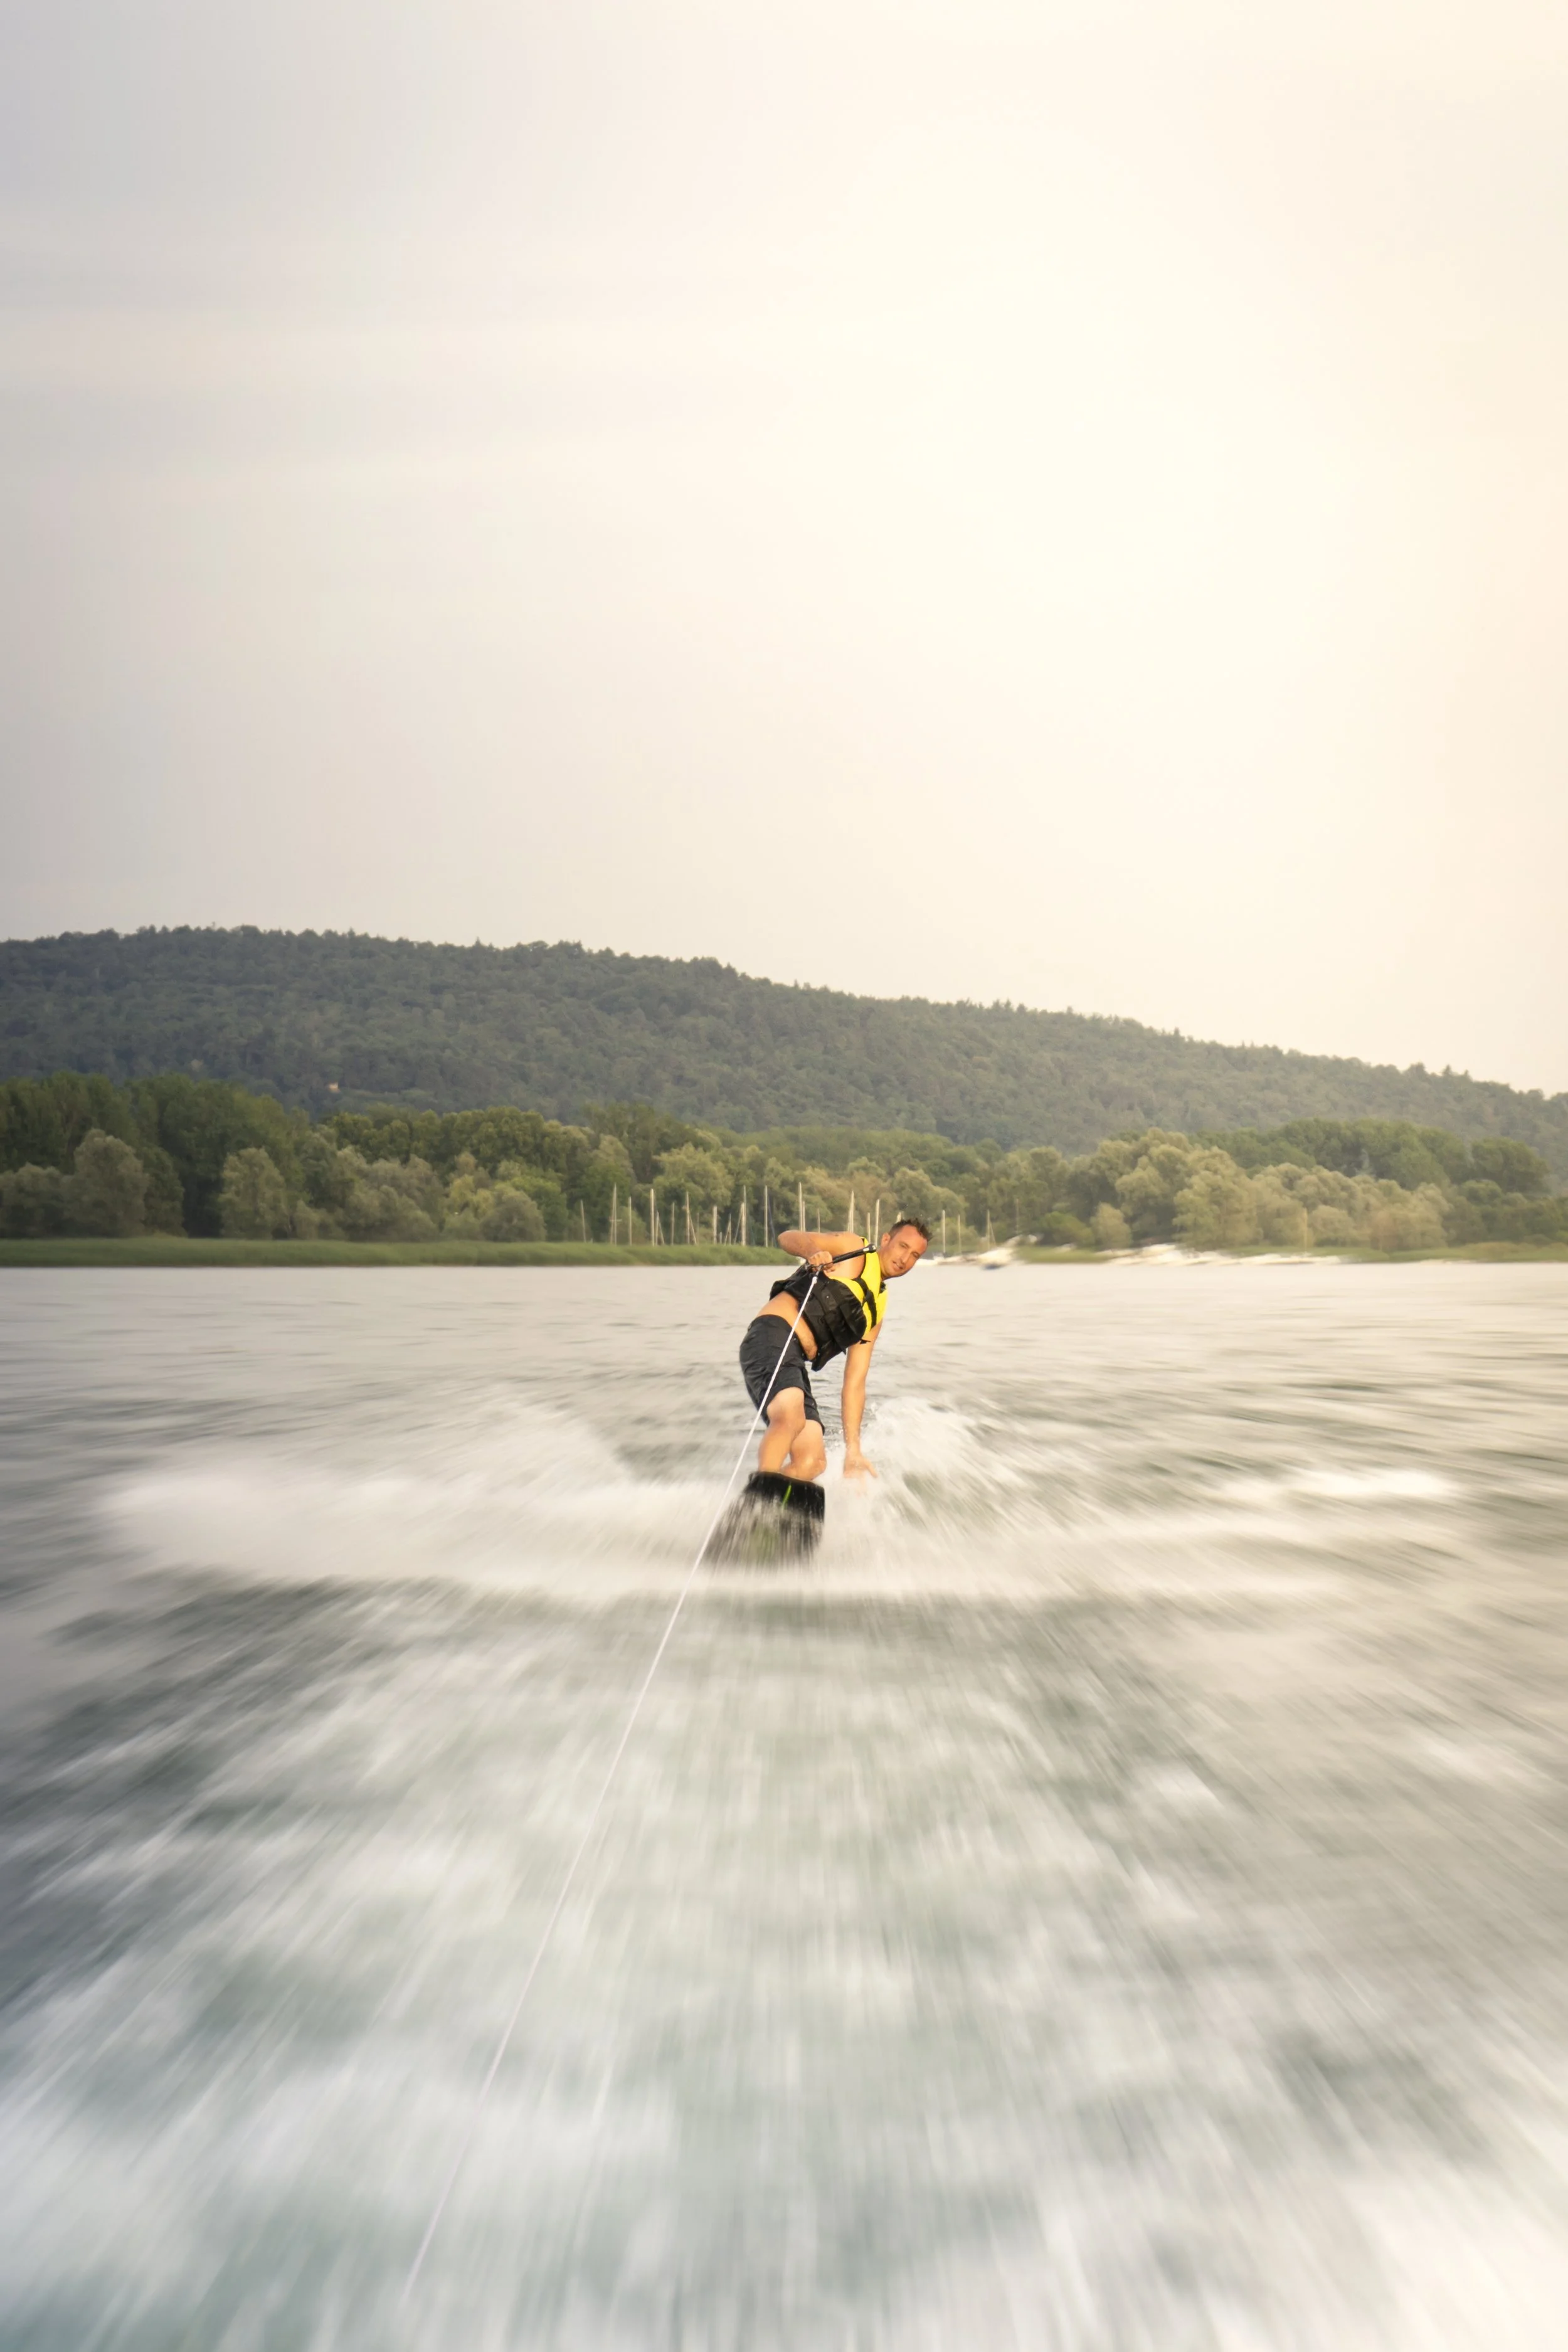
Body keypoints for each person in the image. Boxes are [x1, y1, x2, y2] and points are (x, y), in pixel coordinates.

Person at [738, 1217, 930, 1486]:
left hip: (793, 1362)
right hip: (771, 1337)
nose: (904, 1259)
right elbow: (787, 1236)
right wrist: (811, 1252)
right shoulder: (852, 1249)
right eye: (903, 1246)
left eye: (914, 1256)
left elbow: (855, 1384)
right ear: (886, 1240)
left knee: (813, 1462)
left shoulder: (874, 1313)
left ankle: (769, 1511)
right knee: (790, 1417)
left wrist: (853, 1451)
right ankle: (761, 1497)